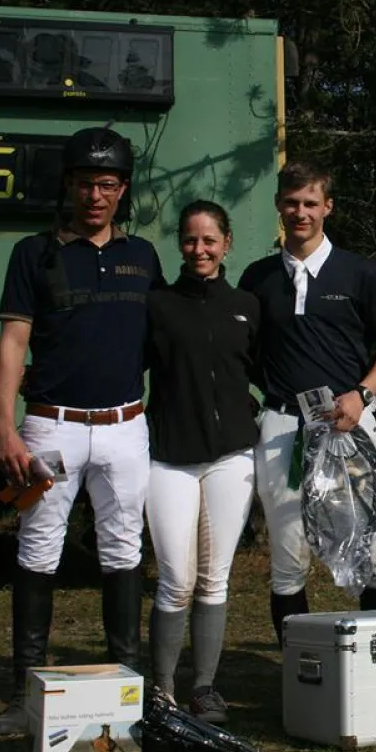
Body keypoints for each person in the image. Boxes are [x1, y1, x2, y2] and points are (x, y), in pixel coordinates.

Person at [0, 127, 164, 735]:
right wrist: (5, 429)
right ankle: (22, 693)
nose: (96, 195)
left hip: (124, 427)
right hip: (50, 430)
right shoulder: (32, 253)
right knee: (38, 549)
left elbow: (164, 340)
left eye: (108, 184)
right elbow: (13, 344)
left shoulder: (143, 256)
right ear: (69, 184)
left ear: (123, 190)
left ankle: (127, 685)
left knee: (123, 551)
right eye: (86, 182)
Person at [238, 162, 376, 645]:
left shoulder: (360, 273)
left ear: (327, 207)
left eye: (310, 203)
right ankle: (299, 670)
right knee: (289, 556)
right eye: (291, 203)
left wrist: (364, 393)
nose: (300, 212)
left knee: (372, 552)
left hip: (348, 426)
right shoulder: (258, 277)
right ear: (278, 206)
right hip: (282, 430)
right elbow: (243, 350)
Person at [144, 201, 260, 723]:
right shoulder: (158, 305)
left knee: (216, 578)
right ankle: (162, 688)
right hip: (168, 459)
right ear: (180, 244)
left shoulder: (247, 306)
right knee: (176, 579)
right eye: (190, 240)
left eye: (210, 240)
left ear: (227, 243)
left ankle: (205, 688)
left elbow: (269, 371)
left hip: (232, 458)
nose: (200, 250)